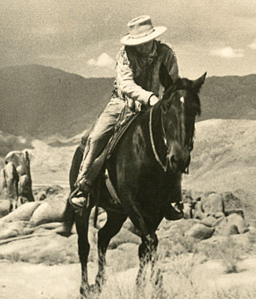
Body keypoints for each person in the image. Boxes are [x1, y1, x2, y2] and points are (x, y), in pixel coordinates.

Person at [70, 15, 183, 220]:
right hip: (122, 103)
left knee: (177, 143)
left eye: (146, 41)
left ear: (152, 38)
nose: (143, 46)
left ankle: (172, 197)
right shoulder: (124, 55)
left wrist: (168, 104)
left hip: (156, 106)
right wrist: (150, 98)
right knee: (95, 138)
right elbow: (126, 85)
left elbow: (173, 83)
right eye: (139, 43)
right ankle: (83, 186)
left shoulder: (167, 54)